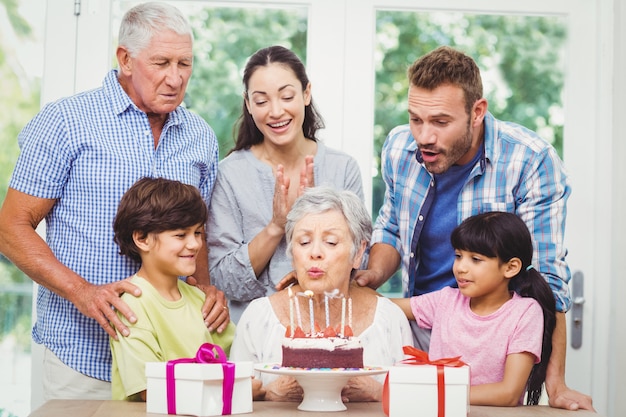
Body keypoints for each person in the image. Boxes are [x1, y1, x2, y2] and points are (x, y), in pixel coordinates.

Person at [0, 2, 229, 400]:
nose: (175, 78)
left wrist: (205, 291)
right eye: (161, 62)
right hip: (82, 356)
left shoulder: (200, 136)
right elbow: (10, 228)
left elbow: (197, 234)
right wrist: (83, 292)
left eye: (184, 64)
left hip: (170, 363)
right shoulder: (65, 122)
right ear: (125, 58)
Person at [353, 45, 594, 410]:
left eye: (440, 122)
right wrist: (372, 274)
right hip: (416, 328)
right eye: (415, 119)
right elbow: (391, 230)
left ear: (477, 112)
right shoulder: (398, 148)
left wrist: (556, 383)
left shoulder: (529, 160)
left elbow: (547, 279)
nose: (423, 136)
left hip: (486, 346)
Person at [208, 45, 364, 323]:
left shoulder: (343, 168)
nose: (276, 111)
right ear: (248, 104)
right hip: (252, 335)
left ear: (306, 94)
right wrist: (277, 226)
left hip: (329, 330)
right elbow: (222, 279)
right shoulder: (230, 174)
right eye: (261, 101)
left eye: (287, 96)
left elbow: (357, 261)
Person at [230, 187, 412, 402]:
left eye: (331, 242)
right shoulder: (258, 318)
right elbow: (233, 398)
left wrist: (381, 393)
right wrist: (268, 394)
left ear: (359, 252)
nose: (314, 253)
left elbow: (413, 399)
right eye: (304, 242)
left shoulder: (389, 320)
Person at [393, 211, 556, 406]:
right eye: (458, 256)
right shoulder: (446, 300)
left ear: (510, 267)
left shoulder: (525, 312)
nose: (461, 267)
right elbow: (385, 306)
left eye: (475, 259)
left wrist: (432, 394)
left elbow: (508, 393)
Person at [109, 177, 236, 401]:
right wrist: (240, 390)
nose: (195, 244)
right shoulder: (132, 305)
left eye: (197, 233)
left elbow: (238, 361)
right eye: (180, 235)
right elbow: (151, 390)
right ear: (141, 238)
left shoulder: (200, 299)